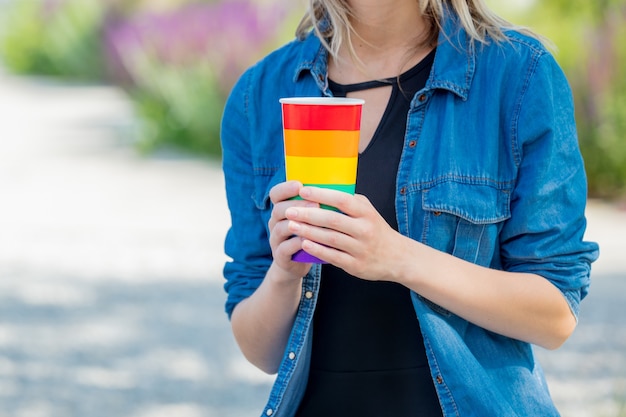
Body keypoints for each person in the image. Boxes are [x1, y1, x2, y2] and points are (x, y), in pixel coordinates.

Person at [220, 0, 600, 415]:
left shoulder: (518, 75)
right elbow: (261, 352)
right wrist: (284, 274)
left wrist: (396, 257)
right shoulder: (258, 95)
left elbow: (555, 316)